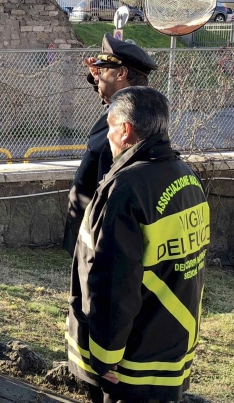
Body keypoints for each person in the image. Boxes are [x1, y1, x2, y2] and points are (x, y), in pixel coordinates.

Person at [66, 87, 209, 403]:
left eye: (110, 127)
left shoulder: (126, 188)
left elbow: (114, 282)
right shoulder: (187, 178)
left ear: (125, 130)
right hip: (170, 344)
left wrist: (104, 355)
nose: (108, 139)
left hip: (130, 361)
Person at [62, 33, 158, 256]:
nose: (97, 78)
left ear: (122, 73)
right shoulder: (130, 112)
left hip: (100, 241)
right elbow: (110, 99)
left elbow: (117, 191)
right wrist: (98, 78)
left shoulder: (126, 126)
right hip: (90, 234)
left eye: (103, 72)